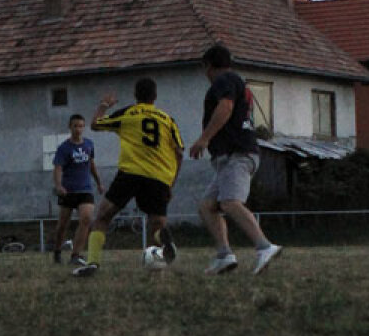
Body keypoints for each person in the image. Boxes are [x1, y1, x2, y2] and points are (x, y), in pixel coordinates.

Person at [74, 78, 184, 278]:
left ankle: (92, 262)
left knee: (103, 217)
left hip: (130, 172)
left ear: (135, 96)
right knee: (156, 224)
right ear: (155, 97)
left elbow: (95, 124)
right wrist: (170, 184)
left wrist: (104, 105)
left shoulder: (128, 113)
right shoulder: (167, 119)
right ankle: (161, 247)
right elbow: (179, 153)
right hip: (158, 176)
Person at [189, 43, 282, 276]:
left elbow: (226, 106)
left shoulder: (224, 81)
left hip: (237, 154)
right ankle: (224, 255)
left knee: (230, 202)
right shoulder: (236, 80)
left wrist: (204, 138)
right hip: (232, 156)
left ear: (208, 65)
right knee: (207, 206)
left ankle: (264, 246)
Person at [51, 114, 103, 266]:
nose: (78, 129)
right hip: (68, 191)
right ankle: (57, 251)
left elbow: (91, 165)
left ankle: (76, 254)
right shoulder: (64, 148)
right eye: (75, 126)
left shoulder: (89, 144)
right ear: (70, 127)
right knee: (62, 225)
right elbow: (58, 168)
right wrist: (59, 185)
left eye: (81, 126)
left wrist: (99, 182)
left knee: (86, 219)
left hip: (85, 190)